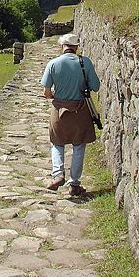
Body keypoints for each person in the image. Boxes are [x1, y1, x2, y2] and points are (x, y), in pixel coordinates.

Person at [40, 33, 100, 196]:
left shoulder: (53, 64)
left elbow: (46, 92)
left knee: (57, 142)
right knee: (79, 145)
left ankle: (58, 174)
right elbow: (95, 86)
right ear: (76, 47)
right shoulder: (84, 62)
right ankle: (74, 184)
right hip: (80, 110)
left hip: (59, 109)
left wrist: (54, 96)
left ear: (62, 47)